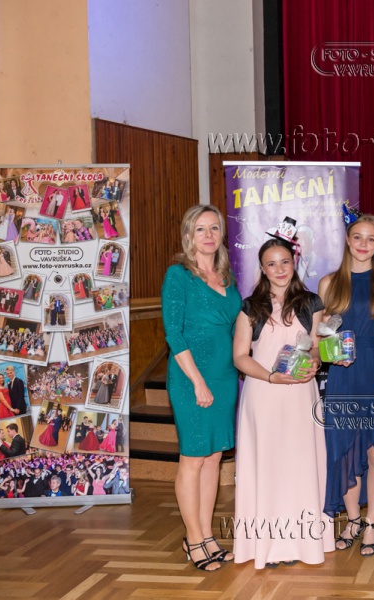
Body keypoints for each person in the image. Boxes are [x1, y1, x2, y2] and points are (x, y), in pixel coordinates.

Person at [232, 236, 333, 568]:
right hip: (264, 394)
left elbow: (317, 346)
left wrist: (315, 361)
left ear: (294, 263)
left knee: (301, 465)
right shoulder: (250, 307)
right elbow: (240, 357)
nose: (279, 269)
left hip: (301, 392)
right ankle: (268, 546)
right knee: (268, 466)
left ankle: (304, 543)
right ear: (262, 268)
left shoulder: (312, 302)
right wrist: (271, 376)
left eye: (285, 262)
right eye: (271, 264)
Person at [162, 205, 241, 572]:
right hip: (191, 376)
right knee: (193, 457)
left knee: (214, 457)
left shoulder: (227, 277)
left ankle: (207, 535)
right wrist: (197, 382)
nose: (208, 235)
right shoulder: (179, 275)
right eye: (200, 229)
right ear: (188, 236)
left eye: (214, 228)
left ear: (221, 234)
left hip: (225, 376)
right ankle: (193, 539)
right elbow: (173, 333)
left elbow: (237, 329)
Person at [318, 214, 374, 557]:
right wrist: (330, 352)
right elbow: (321, 336)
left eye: (371, 239)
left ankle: (372, 524)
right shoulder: (328, 283)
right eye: (358, 237)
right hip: (343, 376)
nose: (363, 244)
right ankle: (352, 520)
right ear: (347, 240)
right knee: (345, 450)